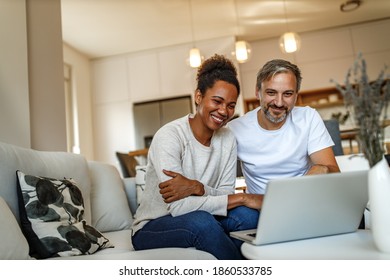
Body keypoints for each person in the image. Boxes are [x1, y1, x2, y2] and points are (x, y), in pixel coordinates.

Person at [131, 54, 262, 260]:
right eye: (217, 101)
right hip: (154, 225)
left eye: (230, 105)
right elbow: (179, 206)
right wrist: (243, 197)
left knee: (248, 216)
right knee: (202, 222)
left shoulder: (227, 138)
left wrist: (196, 188)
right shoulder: (170, 136)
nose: (223, 111)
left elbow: (225, 195)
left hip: (204, 213)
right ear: (199, 96)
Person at [228, 59, 340, 195]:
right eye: (271, 93)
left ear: (296, 95)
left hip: (306, 198)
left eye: (287, 94)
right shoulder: (235, 129)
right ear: (258, 92)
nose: (279, 103)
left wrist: (324, 169)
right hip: (261, 209)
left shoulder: (309, 117)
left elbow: (335, 174)